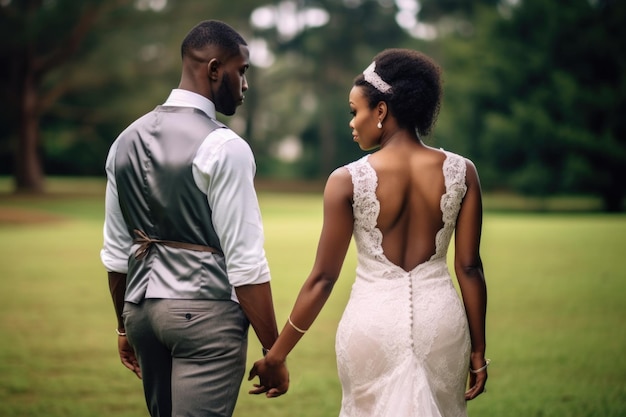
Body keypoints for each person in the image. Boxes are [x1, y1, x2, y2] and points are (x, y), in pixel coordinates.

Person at [248, 48, 488, 416]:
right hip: (441, 326)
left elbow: (323, 279)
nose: (351, 122)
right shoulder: (462, 171)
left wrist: (277, 355)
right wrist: (478, 352)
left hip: (371, 327)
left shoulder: (346, 181)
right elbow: (469, 268)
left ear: (381, 111)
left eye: (354, 111)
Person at [101, 20, 288, 417]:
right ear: (215, 68)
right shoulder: (224, 146)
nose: (246, 84)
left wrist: (123, 326)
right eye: (242, 71)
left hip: (141, 314)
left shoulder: (124, 141)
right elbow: (246, 263)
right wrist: (274, 352)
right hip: (203, 315)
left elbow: (118, 253)